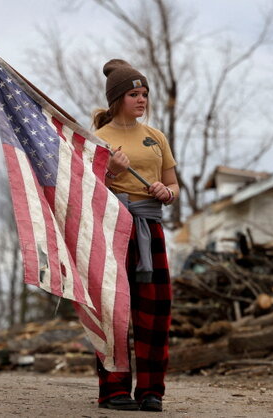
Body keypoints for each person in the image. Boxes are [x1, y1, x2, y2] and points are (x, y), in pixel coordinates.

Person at [92, 59, 178, 412]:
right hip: (112, 228)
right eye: (133, 94)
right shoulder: (98, 139)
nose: (141, 100)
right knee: (113, 311)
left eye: (144, 93)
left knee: (154, 311)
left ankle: (150, 391)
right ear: (118, 99)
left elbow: (174, 185)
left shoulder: (155, 137)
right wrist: (110, 172)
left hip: (149, 229)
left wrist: (166, 193)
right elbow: (88, 189)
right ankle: (113, 391)